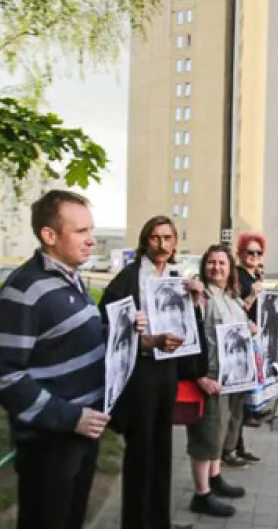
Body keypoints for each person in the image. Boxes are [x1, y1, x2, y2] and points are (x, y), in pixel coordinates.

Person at [0, 190, 111, 529]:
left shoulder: (71, 278)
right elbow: (1, 376)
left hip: (83, 433)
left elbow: (75, 338)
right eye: (81, 231)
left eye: (90, 230)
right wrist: (70, 418)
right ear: (49, 235)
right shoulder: (24, 291)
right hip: (51, 444)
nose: (92, 240)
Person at [99, 216, 196, 529]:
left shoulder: (177, 277)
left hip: (166, 371)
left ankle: (159, 521)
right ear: (145, 241)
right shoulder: (128, 279)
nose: (162, 244)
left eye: (168, 238)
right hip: (139, 372)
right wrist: (142, 337)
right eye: (155, 238)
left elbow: (189, 328)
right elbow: (106, 324)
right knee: (141, 451)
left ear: (176, 242)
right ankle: (135, 522)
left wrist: (194, 300)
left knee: (163, 447)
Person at [185, 245, 251, 517]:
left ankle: (215, 477)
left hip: (233, 379)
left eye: (222, 263)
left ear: (230, 268)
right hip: (211, 378)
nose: (216, 268)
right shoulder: (201, 296)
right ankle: (201, 494)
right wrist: (198, 376)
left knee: (221, 432)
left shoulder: (230, 297)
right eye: (211, 263)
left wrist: (250, 328)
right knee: (206, 436)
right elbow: (189, 334)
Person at [223, 231, 267, 467]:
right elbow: (237, 309)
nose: (254, 256)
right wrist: (252, 295)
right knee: (238, 399)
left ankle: (238, 445)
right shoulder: (238, 278)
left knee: (246, 399)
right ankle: (229, 447)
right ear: (240, 253)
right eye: (249, 252)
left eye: (258, 252)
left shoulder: (254, 276)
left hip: (253, 342)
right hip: (241, 342)